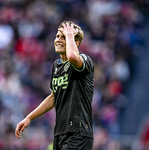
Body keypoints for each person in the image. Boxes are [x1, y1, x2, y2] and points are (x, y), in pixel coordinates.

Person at [15, 20, 94, 150]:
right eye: (58, 36)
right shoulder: (57, 66)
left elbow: (73, 57)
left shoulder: (85, 61)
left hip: (79, 133)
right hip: (60, 133)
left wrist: (69, 35)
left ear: (76, 43)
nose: (58, 40)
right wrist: (29, 118)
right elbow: (53, 97)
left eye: (64, 37)